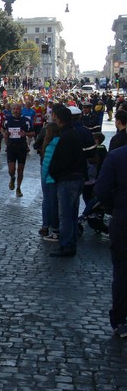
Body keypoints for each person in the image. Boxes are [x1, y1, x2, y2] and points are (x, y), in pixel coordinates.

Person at [94, 144, 127, 338]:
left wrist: (116, 207)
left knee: (122, 270)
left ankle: (121, 320)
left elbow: (102, 190)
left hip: (123, 218)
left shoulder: (116, 156)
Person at [48, 106, 86, 258]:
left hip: (67, 179)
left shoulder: (66, 136)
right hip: (76, 178)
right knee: (72, 213)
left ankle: (66, 245)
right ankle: (71, 243)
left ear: (57, 117)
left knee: (65, 215)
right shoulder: (73, 133)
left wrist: (54, 173)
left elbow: (63, 160)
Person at [2, 103, 33, 197]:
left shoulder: (26, 120)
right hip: (11, 147)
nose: (16, 110)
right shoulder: (8, 120)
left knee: (20, 170)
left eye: (17, 109)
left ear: (21, 110)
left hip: (22, 147)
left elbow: (33, 133)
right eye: (14, 109)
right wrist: (4, 133)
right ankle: (12, 177)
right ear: (12, 110)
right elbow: (2, 129)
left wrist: (26, 134)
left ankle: (18, 188)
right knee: (11, 170)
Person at [40, 123, 61, 241]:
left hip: (51, 179)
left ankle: (55, 230)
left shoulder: (50, 145)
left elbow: (46, 165)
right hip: (60, 178)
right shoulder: (62, 142)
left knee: (51, 203)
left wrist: (44, 178)